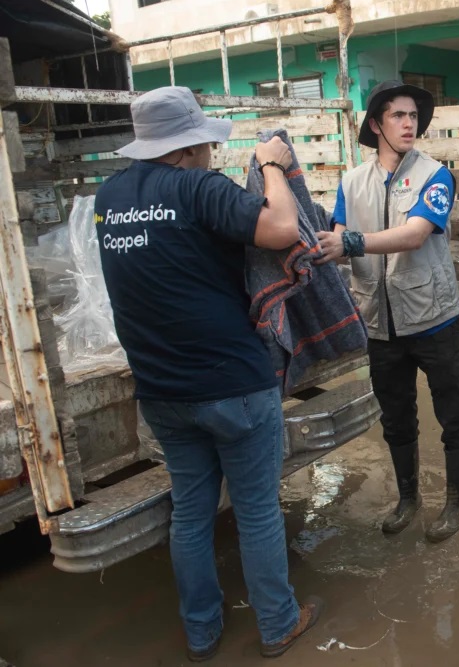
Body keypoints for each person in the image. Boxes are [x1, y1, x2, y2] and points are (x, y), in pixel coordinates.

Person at [95, 86, 321, 662]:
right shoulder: (199, 188)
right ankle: (278, 623)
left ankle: (201, 631)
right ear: (189, 145)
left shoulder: (110, 197)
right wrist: (270, 163)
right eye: (204, 144)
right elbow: (281, 229)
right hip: (232, 385)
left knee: (191, 514)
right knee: (256, 510)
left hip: (162, 391)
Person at [316, 80, 459, 543]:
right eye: (398, 116)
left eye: (413, 116)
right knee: (396, 416)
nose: (410, 124)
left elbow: (413, 234)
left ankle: (457, 501)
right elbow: (340, 241)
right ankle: (408, 498)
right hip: (379, 322)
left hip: (433, 317)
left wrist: (348, 242)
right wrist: (324, 245)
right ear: (375, 125)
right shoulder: (351, 181)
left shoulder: (436, 176)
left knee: (454, 413)